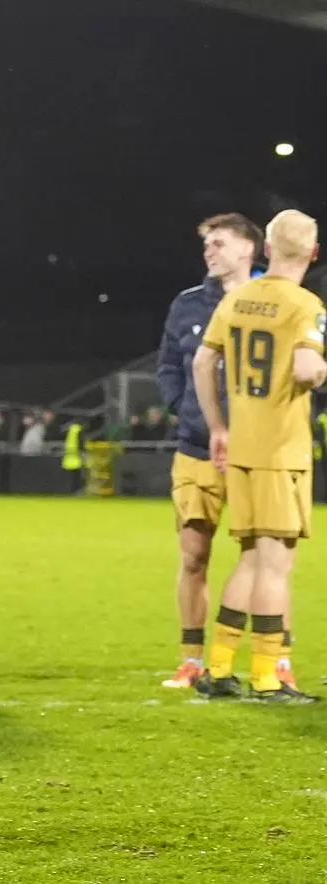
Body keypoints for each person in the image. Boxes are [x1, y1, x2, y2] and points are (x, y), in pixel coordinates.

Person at [192, 209, 326, 703]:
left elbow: (203, 360)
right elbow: (309, 369)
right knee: (275, 566)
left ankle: (220, 669)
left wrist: (218, 426)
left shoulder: (238, 298)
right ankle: (267, 677)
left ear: (267, 249)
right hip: (280, 451)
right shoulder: (305, 304)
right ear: (312, 254)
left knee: (250, 558)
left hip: (243, 446)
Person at [154, 213, 289, 689]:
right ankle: (192, 657)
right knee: (194, 555)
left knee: (268, 555)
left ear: (248, 249)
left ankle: (277, 657)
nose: (209, 251)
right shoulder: (188, 305)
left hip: (259, 451)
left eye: (219, 243)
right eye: (206, 244)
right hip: (197, 448)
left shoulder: (274, 302)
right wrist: (185, 410)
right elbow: (169, 365)